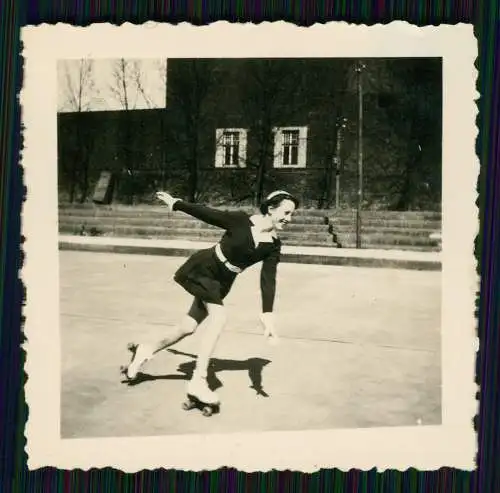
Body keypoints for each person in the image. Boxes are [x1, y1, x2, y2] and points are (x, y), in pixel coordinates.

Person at [121, 189, 299, 405]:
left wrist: (268, 314)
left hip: (223, 282)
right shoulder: (241, 221)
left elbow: (268, 279)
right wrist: (176, 203)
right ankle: (198, 381)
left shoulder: (273, 245)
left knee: (187, 328)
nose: (289, 219)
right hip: (204, 269)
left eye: (292, 215)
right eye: (286, 213)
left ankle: (145, 349)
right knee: (219, 318)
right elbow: (207, 213)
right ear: (271, 208)